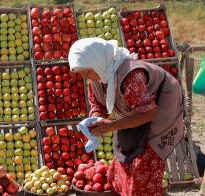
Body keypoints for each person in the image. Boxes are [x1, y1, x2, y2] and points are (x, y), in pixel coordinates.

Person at [68, 38, 184, 196]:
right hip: (135, 109)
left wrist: (111, 125)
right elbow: (98, 105)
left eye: (86, 71)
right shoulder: (97, 77)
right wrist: (95, 119)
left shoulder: (131, 75)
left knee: (144, 164)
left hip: (162, 106)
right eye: (81, 72)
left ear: (98, 61)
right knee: (122, 158)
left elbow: (148, 113)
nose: (84, 76)